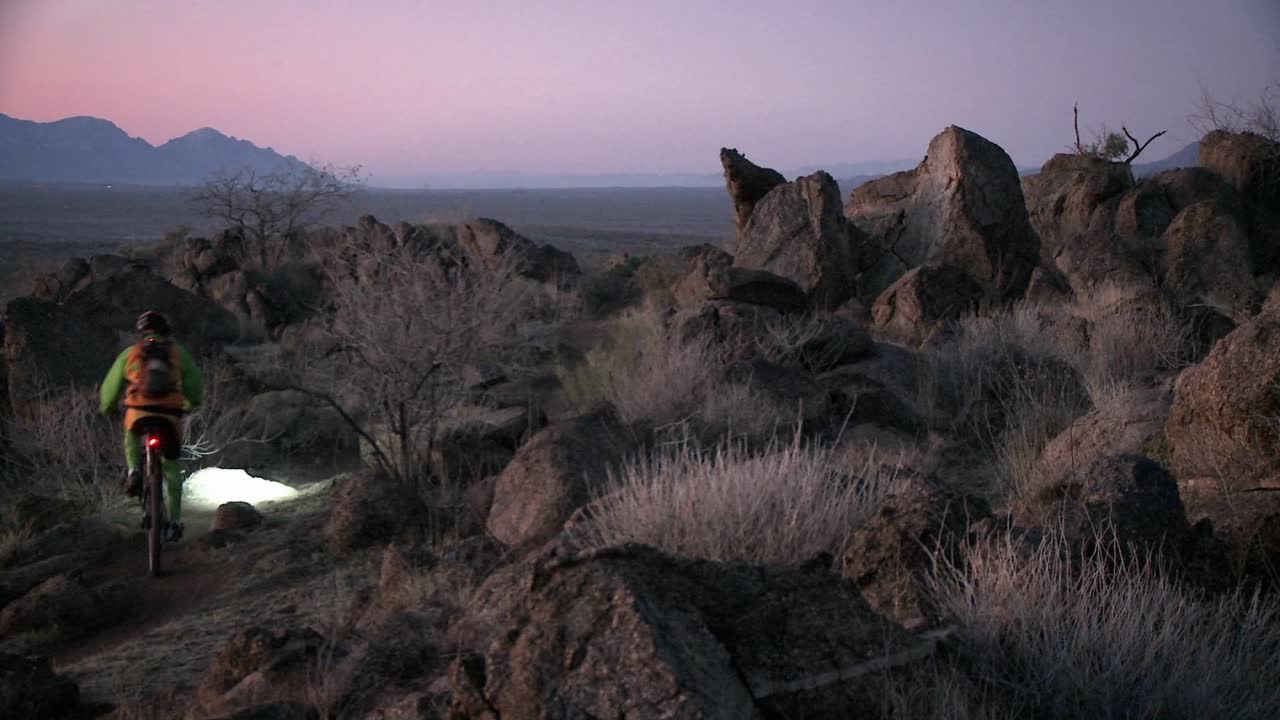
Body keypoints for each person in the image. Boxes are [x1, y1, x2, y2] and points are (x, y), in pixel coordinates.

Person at [99, 311, 203, 542]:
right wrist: (192, 403)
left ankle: (134, 470)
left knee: (131, 433)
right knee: (172, 467)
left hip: (139, 413)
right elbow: (194, 383)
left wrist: (107, 408)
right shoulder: (178, 354)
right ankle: (174, 522)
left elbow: (111, 386)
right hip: (169, 415)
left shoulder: (131, 354)